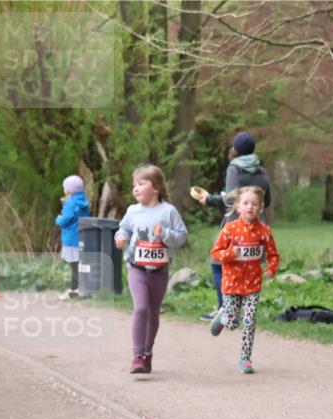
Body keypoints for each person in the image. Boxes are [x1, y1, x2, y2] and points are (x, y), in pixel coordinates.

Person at [114, 165, 189, 374]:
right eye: (134, 185)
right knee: (141, 308)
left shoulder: (168, 211)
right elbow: (123, 228)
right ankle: (137, 355)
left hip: (159, 271)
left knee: (153, 313)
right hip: (136, 268)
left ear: (156, 188)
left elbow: (181, 236)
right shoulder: (132, 211)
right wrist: (121, 237)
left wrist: (164, 233)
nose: (135, 188)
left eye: (141, 184)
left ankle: (147, 353)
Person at [193, 131, 272, 321]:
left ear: (235, 150)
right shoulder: (262, 172)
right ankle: (243, 309)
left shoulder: (234, 169)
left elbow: (231, 199)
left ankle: (226, 310)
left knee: (218, 265)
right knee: (245, 268)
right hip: (256, 229)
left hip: (235, 227)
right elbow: (267, 201)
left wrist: (208, 199)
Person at [209, 186, 279, 374]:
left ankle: (245, 358)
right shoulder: (230, 229)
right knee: (232, 324)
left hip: (252, 284)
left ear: (260, 208)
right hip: (231, 283)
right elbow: (215, 253)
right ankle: (223, 316)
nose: (250, 207)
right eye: (246, 203)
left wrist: (271, 268)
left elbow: (273, 254)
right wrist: (230, 254)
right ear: (238, 207)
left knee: (249, 320)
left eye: (254, 204)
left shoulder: (264, 231)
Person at [55, 175, 90, 300]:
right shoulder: (84, 201)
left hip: (70, 238)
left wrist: (58, 218)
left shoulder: (70, 203)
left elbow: (64, 220)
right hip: (81, 237)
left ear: (68, 190)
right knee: (80, 265)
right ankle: (82, 288)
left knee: (74, 266)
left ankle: (74, 290)